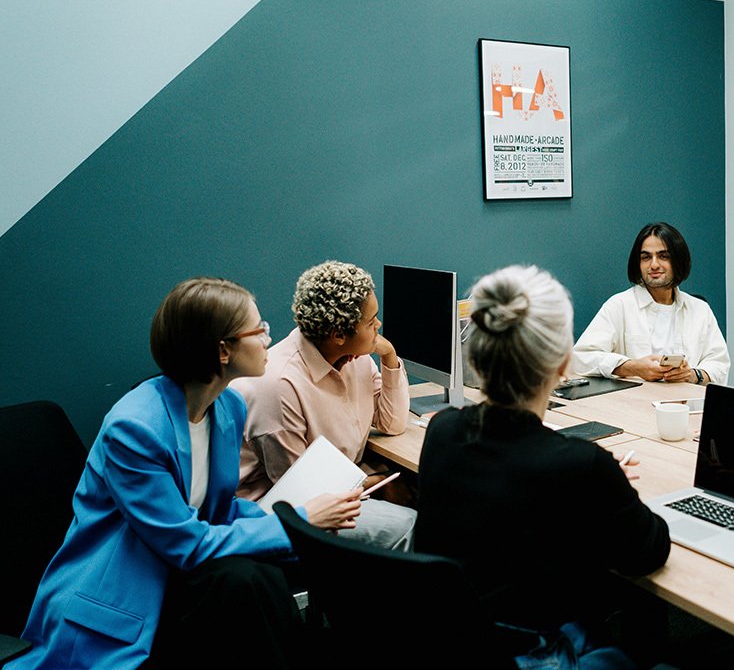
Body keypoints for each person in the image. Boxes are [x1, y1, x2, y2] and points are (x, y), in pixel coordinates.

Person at [10, 277, 361, 670]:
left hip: (181, 577)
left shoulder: (228, 408)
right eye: (258, 329)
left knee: (263, 575)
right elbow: (185, 542)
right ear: (223, 349)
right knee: (248, 581)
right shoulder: (134, 428)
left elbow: (219, 513)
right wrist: (300, 520)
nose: (268, 338)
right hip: (126, 595)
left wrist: (297, 519)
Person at [415, 264, 671, 668]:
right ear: (564, 364)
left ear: (478, 359)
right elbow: (648, 552)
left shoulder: (443, 430)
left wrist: (597, 485)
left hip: (454, 645)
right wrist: (609, 487)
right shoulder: (582, 466)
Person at [231, 260, 415, 550]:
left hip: (341, 487)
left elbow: (392, 423)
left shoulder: (356, 358)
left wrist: (389, 356)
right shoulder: (278, 385)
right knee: (410, 524)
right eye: (371, 321)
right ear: (339, 335)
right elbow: (299, 493)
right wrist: (375, 483)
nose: (378, 325)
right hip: (282, 513)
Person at [573, 222, 730, 384]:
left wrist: (692, 375)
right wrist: (633, 367)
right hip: (633, 404)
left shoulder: (700, 310)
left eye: (663, 256)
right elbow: (582, 357)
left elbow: (719, 363)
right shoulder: (619, 305)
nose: (654, 265)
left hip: (688, 405)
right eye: (646, 257)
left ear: (678, 260)